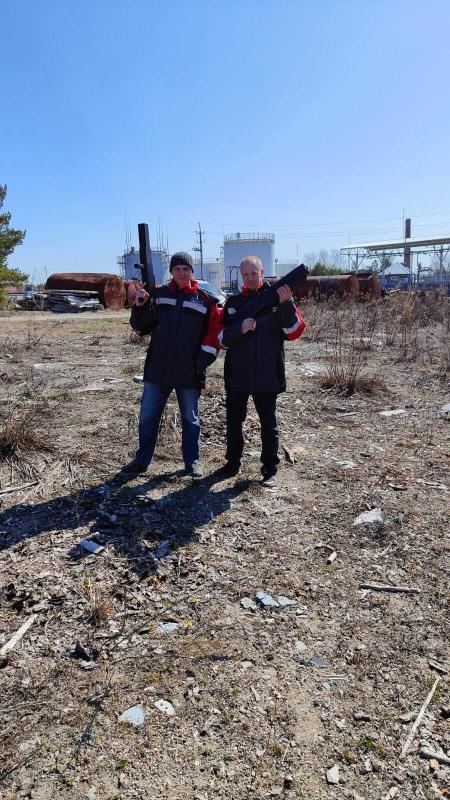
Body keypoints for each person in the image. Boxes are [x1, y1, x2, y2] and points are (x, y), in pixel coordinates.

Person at [122, 252, 222, 479]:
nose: (182, 273)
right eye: (177, 269)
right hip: (158, 369)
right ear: (172, 271)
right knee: (148, 416)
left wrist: (202, 361)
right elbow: (141, 327)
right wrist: (139, 305)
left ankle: (192, 462)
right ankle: (141, 460)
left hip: (189, 371)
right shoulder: (158, 296)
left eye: (186, 269)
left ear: (192, 272)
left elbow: (214, 334)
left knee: (190, 419)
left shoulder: (205, 300)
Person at [219, 256, 306, 486]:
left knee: (268, 423)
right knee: (234, 421)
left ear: (262, 272)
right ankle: (232, 464)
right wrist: (240, 329)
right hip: (238, 372)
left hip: (267, 372)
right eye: (246, 274)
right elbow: (221, 339)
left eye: (254, 273)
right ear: (241, 275)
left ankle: (270, 469)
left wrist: (286, 303)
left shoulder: (278, 298)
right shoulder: (233, 303)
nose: (250, 278)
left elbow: (294, 331)